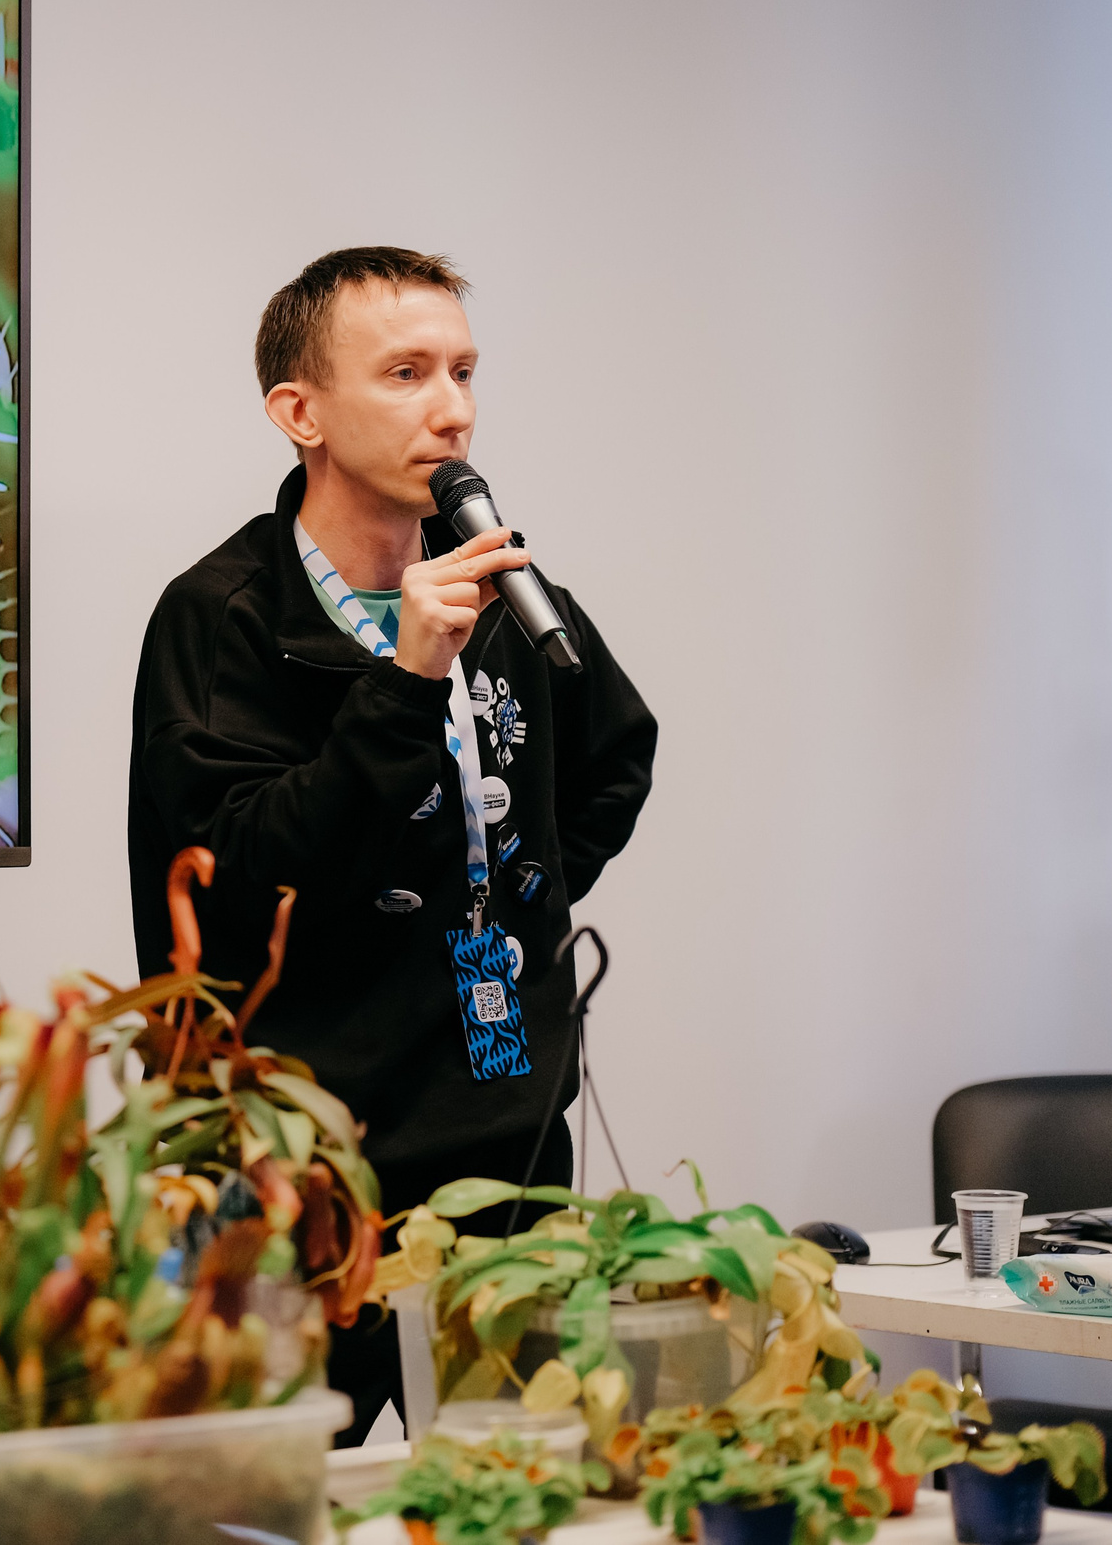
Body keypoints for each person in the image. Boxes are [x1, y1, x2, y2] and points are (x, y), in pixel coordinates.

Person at [125, 246, 657, 1441]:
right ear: (298, 413)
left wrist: (510, 896)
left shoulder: (499, 590)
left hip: (500, 1144)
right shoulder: (222, 620)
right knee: (266, 1506)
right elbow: (243, 872)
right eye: (407, 372)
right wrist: (408, 678)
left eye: (463, 370)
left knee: (502, 1498)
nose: (452, 408)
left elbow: (615, 749)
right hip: (295, 1169)